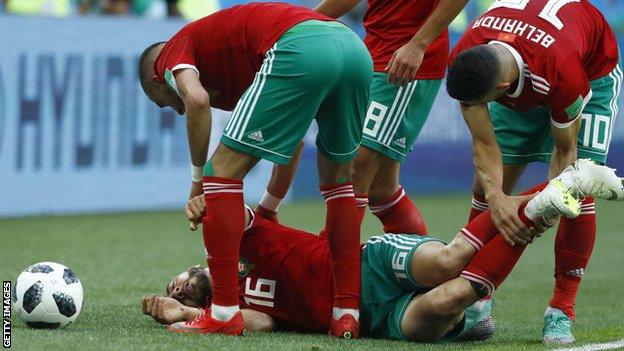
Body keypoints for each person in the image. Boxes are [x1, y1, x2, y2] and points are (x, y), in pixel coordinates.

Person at [143, 161, 623, 341]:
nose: (180, 285)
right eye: (181, 291)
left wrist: (207, 200)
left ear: (202, 262)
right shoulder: (232, 303)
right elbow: (260, 322)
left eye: (181, 278)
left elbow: (235, 212)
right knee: (451, 297)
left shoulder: (244, 235)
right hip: (374, 320)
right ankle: (545, 203)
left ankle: (565, 184)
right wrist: (181, 314)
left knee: (451, 261)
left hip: (368, 263)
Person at [137, 2, 373, 337]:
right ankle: (346, 313)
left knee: (220, 174)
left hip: (302, 44)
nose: (173, 109)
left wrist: (197, 183)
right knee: (339, 184)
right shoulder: (243, 68)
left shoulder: (170, 54)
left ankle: (222, 314)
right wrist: (269, 208)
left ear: (155, 81)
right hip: (354, 48)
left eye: (162, 102)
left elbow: (197, 100)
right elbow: (293, 144)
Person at [445, 0, 622, 344]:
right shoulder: (468, 53)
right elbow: (484, 146)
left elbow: (565, 156)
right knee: (484, 191)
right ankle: (476, 302)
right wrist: (497, 199)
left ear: (499, 90)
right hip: (529, 70)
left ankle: (560, 310)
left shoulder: (562, 71)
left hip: (589, 73)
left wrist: (547, 208)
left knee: (579, 189)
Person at [298, 0, 470, 234]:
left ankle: (330, 261)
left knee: (356, 164)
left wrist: (419, 44)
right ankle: (422, 266)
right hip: (372, 52)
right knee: (382, 189)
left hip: (407, 61)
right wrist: (301, 21)